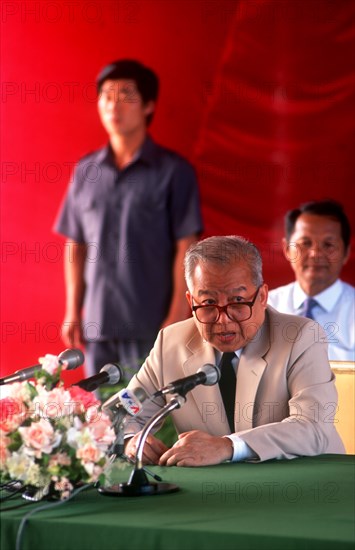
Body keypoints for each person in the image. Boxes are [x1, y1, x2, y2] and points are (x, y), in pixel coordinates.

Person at [123, 235, 345, 466]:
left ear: (262, 297)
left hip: (308, 481)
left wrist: (228, 446)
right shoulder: (170, 342)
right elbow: (124, 412)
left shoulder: (301, 336)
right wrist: (131, 440)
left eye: (237, 301)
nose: (223, 320)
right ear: (191, 302)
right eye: (208, 303)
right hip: (210, 492)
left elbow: (312, 428)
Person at [54, 59, 203, 380]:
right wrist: (72, 310)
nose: (114, 105)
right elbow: (75, 244)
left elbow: (187, 245)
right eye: (107, 95)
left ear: (149, 105)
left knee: (149, 417)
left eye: (126, 95)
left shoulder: (174, 172)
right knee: (100, 421)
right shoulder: (86, 172)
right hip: (98, 322)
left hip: (151, 322)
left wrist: (177, 314)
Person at [268, 199, 354, 361]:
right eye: (305, 243)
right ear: (287, 250)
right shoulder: (265, 308)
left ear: (346, 253)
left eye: (328, 245)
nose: (315, 254)